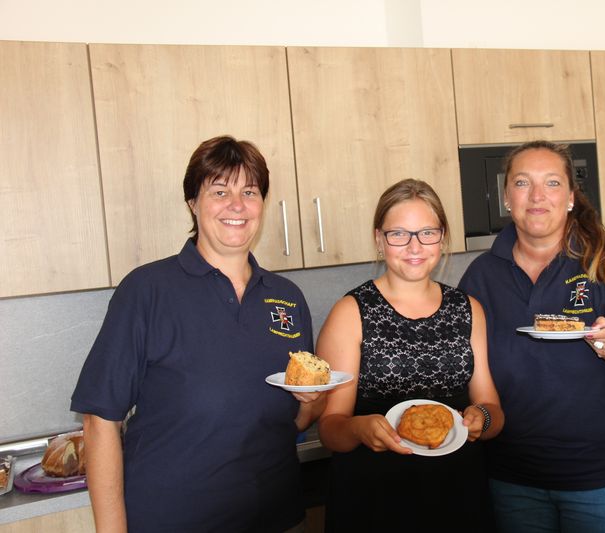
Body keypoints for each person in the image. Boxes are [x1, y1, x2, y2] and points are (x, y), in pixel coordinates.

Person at [71, 135, 325, 533]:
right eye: (220, 191)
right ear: (193, 202)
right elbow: (99, 419)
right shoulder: (147, 290)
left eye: (249, 192)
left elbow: (297, 416)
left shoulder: (287, 298)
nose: (237, 205)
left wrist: (312, 399)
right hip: (174, 519)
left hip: (277, 516)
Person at [458, 140, 605, 533]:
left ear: (571, 197)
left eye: (552, 183)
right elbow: (465, 370)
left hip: (603, 479)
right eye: (522, 183)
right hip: (511, 480)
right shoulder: (481, 275)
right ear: (506, 197)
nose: (537, 195)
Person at [315, 178, 504, 532]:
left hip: (458, 495)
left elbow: (492, 408)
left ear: (442, 237)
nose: (414, 246)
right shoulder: (350, 312)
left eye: (427, 233)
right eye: (399, 234)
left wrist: (483, 419)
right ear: (379, 239)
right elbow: (330, 428)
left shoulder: (468, 309)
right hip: (373, 500)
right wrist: (357, 428)